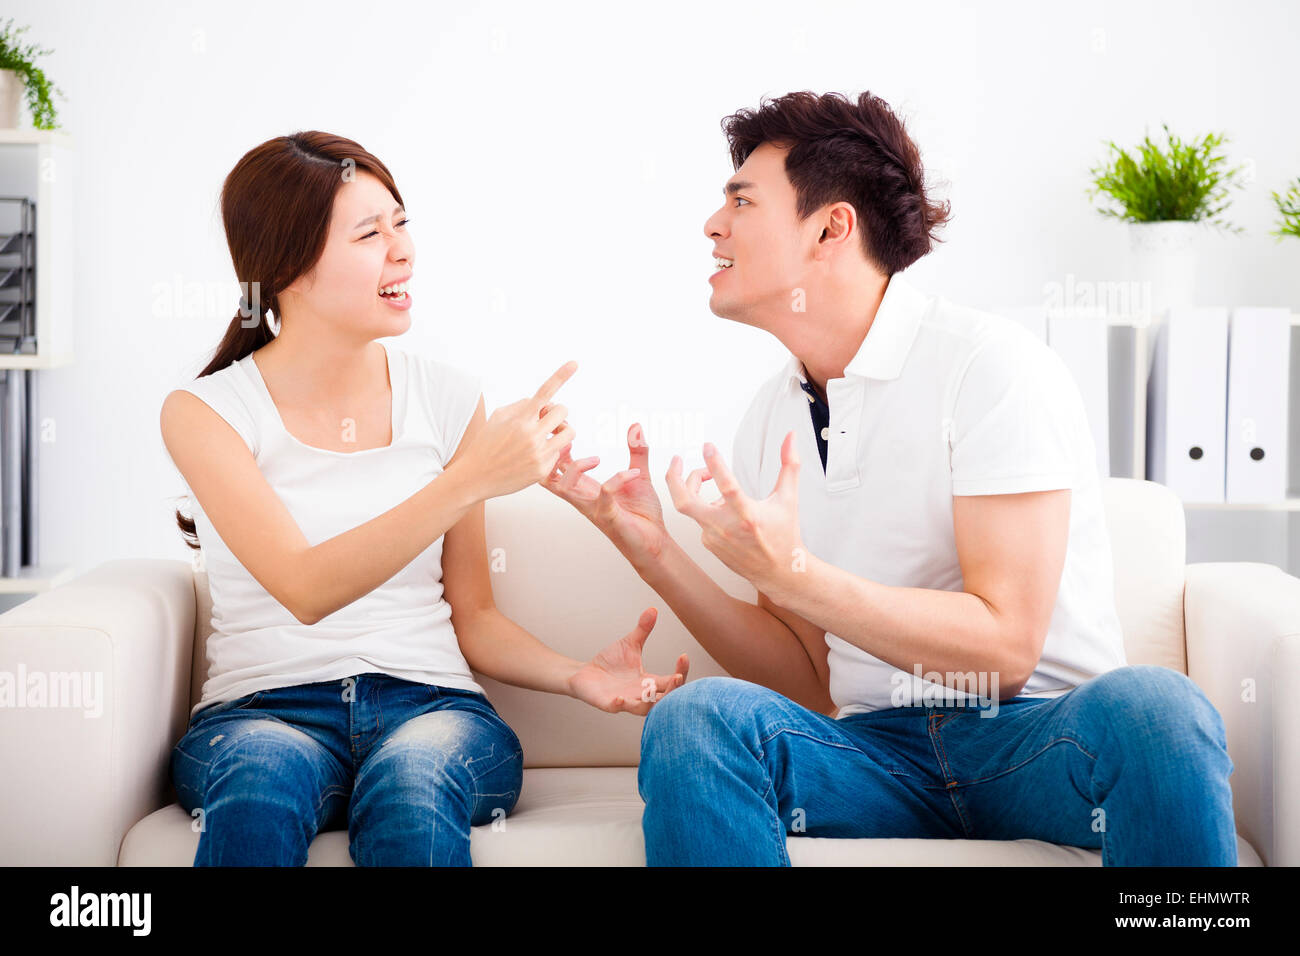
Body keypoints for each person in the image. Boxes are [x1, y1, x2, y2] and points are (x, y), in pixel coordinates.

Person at [542, 90, 1238, 866]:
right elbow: (810, 683)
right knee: (697, 719)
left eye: (741, 200)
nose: (714, 224)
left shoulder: (988, 367)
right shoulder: (769, 416)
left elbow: (1004, 649)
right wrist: (654, 551)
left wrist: (797, 576)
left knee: (1157, 708)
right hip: (876, 755)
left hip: (1039, 737)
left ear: (832, 227)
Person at [159, 131, 688, 867]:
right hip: (261, 714)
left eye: (401, 224)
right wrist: (472, 477)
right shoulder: (206, 411)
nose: (402, 251)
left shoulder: (444, 398)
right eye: (370, 234)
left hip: (432, 710)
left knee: (413, 781)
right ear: (286, 263)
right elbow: (305, 587)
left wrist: (577, 676)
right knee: (259, 780)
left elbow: (473, 619)